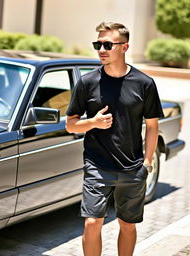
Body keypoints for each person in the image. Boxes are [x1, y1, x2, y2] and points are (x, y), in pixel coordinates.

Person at [66, 22, 164, 256]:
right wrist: (92, 123)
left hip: (132, 167)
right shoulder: (88, 82)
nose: (101, 49)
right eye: (97, 44)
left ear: (124, 47)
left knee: (127, 225)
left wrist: (147, 162)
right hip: (97, 165)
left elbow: (152, 126)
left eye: (107, 44)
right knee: (92, 222)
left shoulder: (144, 84)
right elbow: (71, 124)